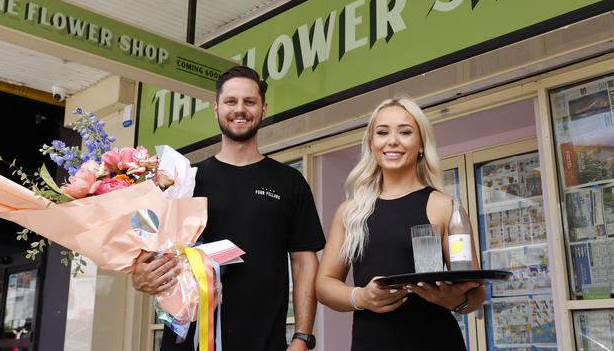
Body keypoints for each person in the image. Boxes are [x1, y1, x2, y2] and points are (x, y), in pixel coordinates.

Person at [131, 65, 325, 351]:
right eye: (231, 101)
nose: (240, 109)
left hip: (264, 340)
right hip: (188, 339)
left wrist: (302, 337)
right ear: (216, 108)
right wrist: (140, 274)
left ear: (263, 108)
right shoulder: (184, 181)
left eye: (249, 101)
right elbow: (148, 244)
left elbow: (304, 262)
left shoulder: (289, 182)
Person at [315, 98, 485, 350]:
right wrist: (360, 297)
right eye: (382, 132)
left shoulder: (445, 206)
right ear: (371, 143)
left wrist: (456, 300)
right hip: (371, 343)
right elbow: (324, 285)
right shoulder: (350, 212)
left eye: (405, 132)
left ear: (421, 145)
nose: (392, 140)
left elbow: (476, 291)